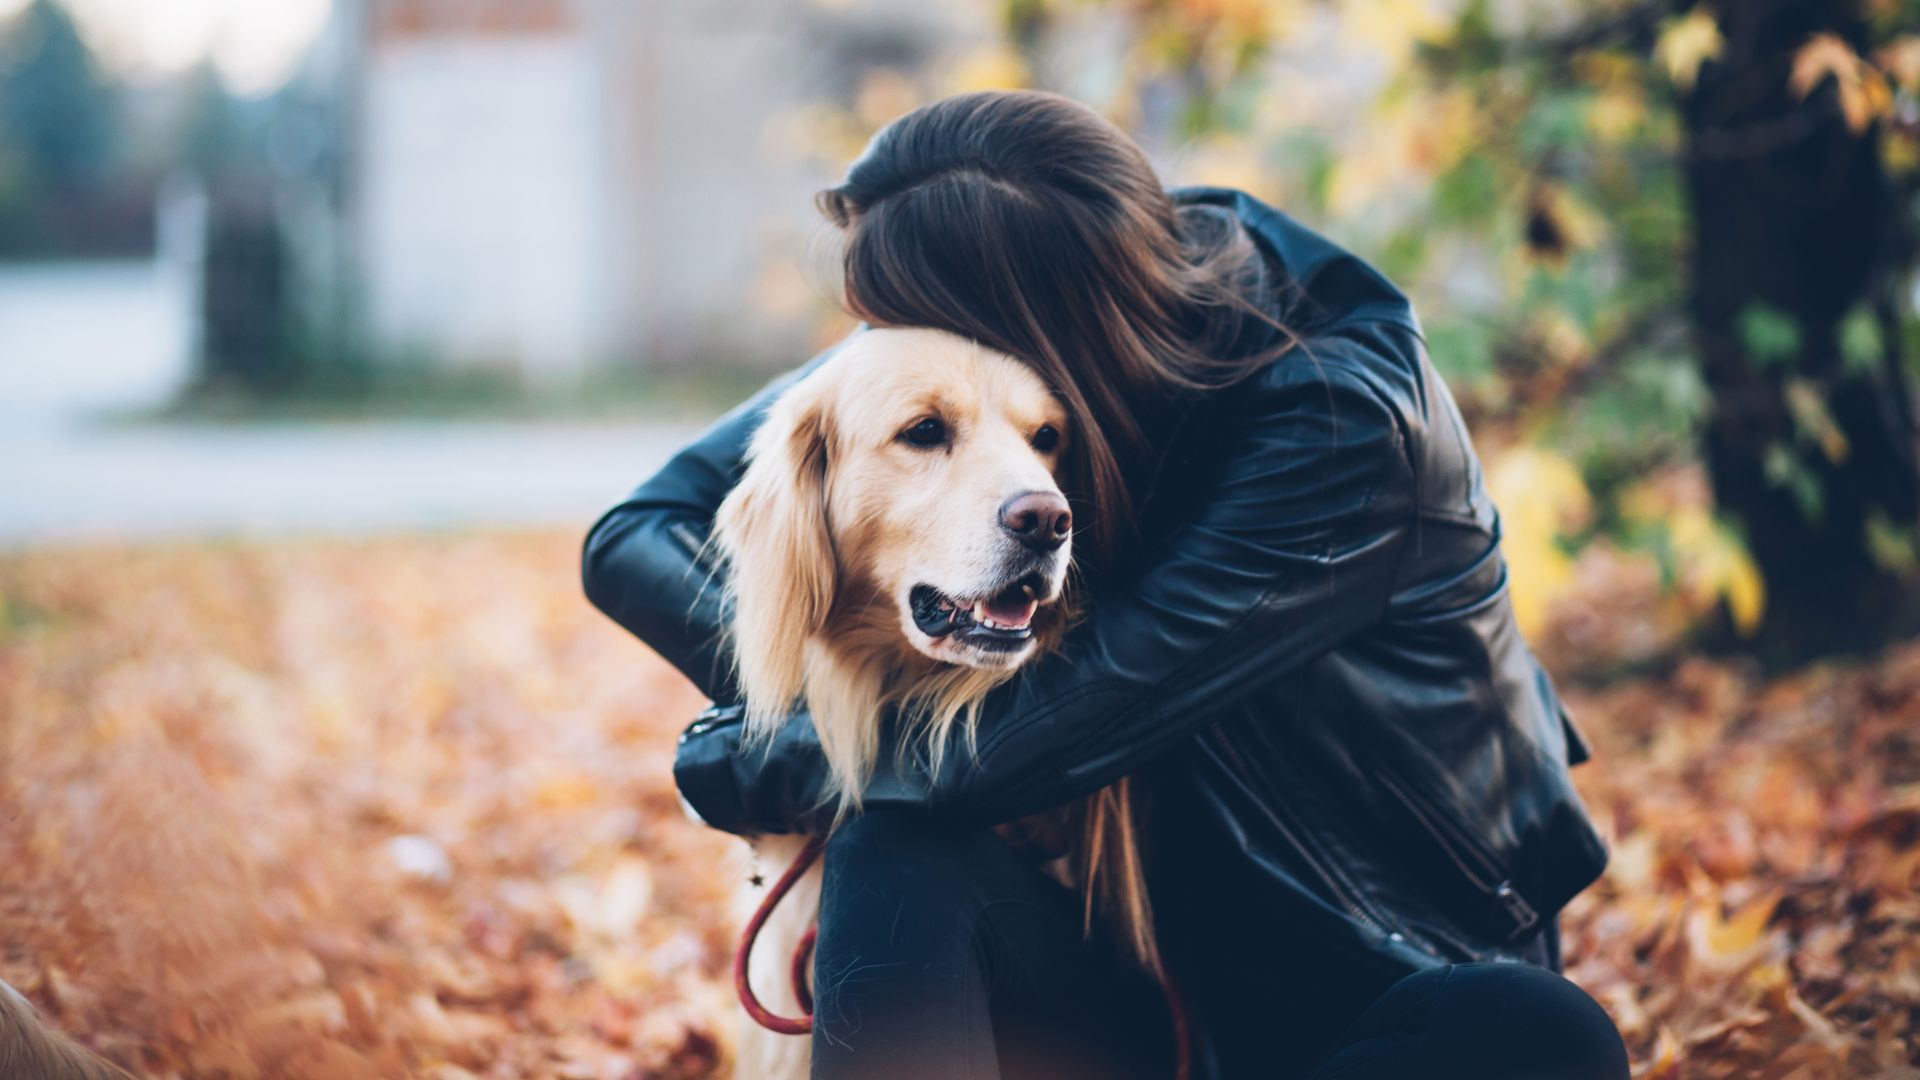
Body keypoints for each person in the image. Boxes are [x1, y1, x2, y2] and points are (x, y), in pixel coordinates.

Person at [584, 90, 1629, 1080]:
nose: (887, 351)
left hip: (1380, 992)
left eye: (901, 324)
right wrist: (799, 676)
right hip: (1135, 1001)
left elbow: (1000, 754)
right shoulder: (1047, 306)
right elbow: (638, 534)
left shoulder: (1338, 426)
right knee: (896, 853)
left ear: (1028, 329)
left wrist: (757, 753)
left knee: (1542, 1032)